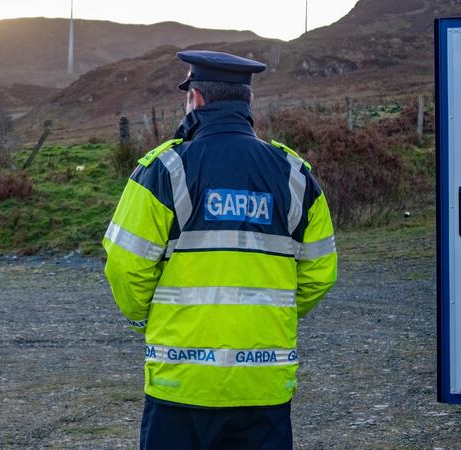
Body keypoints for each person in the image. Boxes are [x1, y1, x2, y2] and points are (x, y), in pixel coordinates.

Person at [102, 50, 337, 449]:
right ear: (247, 102)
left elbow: (125, 266)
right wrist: (268, 315)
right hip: (262, 385)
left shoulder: (163, 169)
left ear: (195, 99)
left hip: (181, 385)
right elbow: (319, 273)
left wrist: (148, 317)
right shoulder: (296, 175)